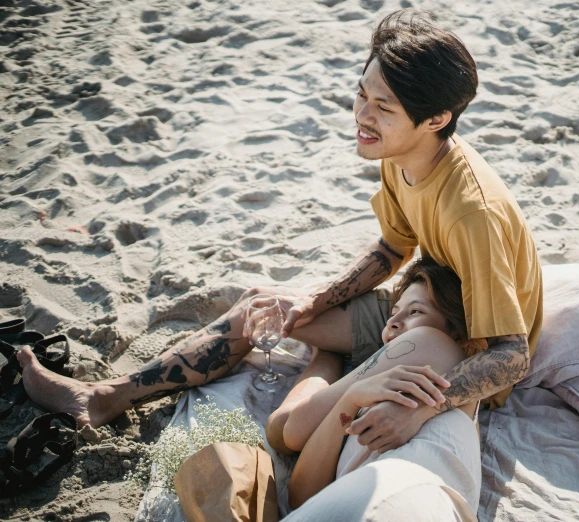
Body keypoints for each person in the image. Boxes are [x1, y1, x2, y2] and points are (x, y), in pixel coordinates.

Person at [17, 9, 542, 457]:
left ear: (437, 119)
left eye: (384, 108)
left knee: (288, 410)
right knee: (260, 307)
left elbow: (511, 356)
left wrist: (431, 405)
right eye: (362, 95)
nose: (362, 116)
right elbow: (392, 247)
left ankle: (328, 360)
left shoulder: (472, 210)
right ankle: (107, 397)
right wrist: (315, 301)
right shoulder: (401, 153)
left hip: (458, 347)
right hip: (424, 303)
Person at [285, 257, 484, 521]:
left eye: (415, 312)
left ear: (456, 332)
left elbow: (290, 430)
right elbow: (302, 496)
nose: (393, 322)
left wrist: (346, 385)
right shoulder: (375, 394)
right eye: (393, 313)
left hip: (401, 497)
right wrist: (350, 398)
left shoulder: (434, 342)